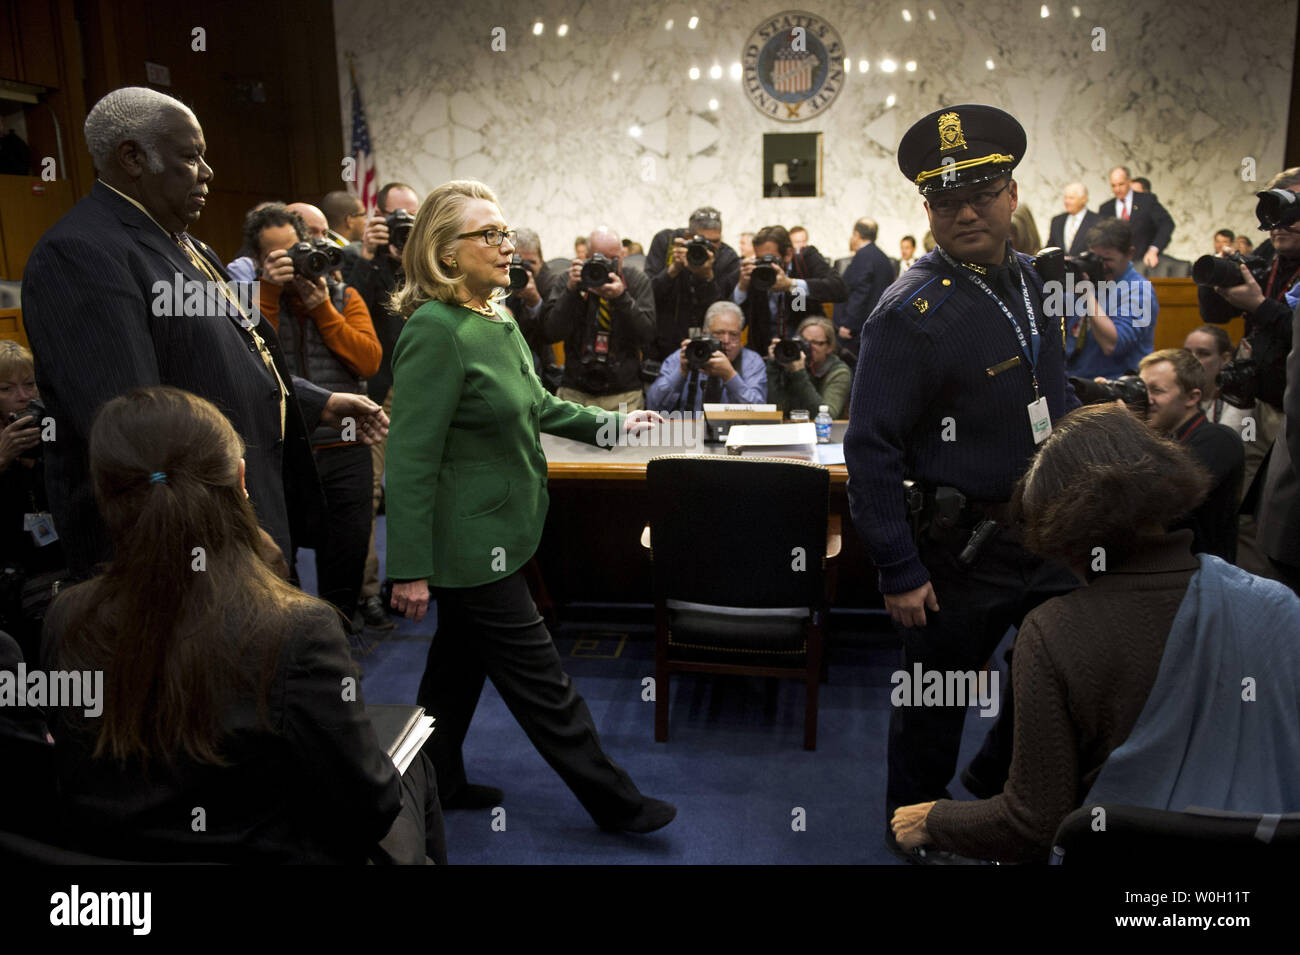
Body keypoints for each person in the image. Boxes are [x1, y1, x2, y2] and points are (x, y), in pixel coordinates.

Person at [43, 386, 446, 863]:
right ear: (240, 481)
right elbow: (371, 808)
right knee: (412, 763)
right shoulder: (299, 629)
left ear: (105, 493)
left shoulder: (65, 617)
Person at [384, 179, 676, 833]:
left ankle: (435, 779)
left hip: (506, 527)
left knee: (453, 675)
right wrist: (406, 564)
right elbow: (409, 459)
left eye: (504, 231)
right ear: (443, 251)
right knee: (544, 683)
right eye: (486, 233)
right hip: (467, 544)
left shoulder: (497, 313)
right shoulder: (435, 330)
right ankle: (616, 803)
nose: (503, 243)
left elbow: (540, 404)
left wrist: (611, 429)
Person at [891, 404, 1300, 864]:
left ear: (1053, 528)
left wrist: (931, 819)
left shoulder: (1052, 633)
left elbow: (1032, 825)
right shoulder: (1277, 603)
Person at [844, 104, 1079, 863]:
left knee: (1065, 670)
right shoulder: (907, 313)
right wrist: (897, 568)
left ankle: (989, 782)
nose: (966, 210)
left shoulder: (1031, 280)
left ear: (1012, 195)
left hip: (1045, 530)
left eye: (981, 192)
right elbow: (869, 446)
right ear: (927, 210)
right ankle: (909, 827)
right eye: (946, 200)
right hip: (957, 555)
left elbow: (1050, 393)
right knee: (934, 704)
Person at [20, 87, 382, 580]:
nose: (207, 172)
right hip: (189, 549)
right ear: (132, 158)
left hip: (243, 517)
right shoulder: (82, 253)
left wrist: (320, 401)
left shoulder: (188, 247)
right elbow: (132, 425)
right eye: (191, 157)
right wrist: (233, 532)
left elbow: (227, 360)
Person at [249, 203, 382, 628]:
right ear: (258, 260)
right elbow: (255, 359)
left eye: (296, 249)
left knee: (345, 559)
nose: (293, 262)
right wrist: (268, 290)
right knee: (279, 562)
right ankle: (292, 644)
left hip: (344, 449)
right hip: (283, 454)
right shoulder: (251, 299)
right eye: (277, 256)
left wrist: (324, 309)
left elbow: (368, 362)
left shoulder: (346, 296)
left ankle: (339, 640)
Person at [346, 180, 421, 629]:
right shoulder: (361, 262)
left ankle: (413, 577)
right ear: (377, 217)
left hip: (420, 386)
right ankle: (368, 592)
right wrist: (373, 258)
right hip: (377, 389)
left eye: (410, 218)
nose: (402, 227)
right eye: (395, 218)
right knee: (369, 492)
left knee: (418, 486)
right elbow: (353, 309)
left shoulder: (428, 260)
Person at [1139, 349, 1244, 562]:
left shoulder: (1218, 439)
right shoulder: (1158, 439)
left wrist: (1124, 429)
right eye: (1142, 389)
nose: (1146, 399)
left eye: (1156, 390)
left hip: (1201, 579)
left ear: (1192, 397)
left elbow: (1162, 497)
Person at [0, 342, 64, 664]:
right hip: (13, 582)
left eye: (30, 384)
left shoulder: (53, 431)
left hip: (60, 569)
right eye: (6, 389)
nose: (23, 396)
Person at [543, 226, 655, 411]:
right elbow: (551, 332)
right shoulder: (569, 280)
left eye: (613, 259)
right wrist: (571, 292)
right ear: (585, 257)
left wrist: (622, 298)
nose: (606, 265)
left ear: (622, 255)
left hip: (624, 395)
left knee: (624, 441)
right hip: (574, 393)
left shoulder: (636, 281)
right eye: (599, 259)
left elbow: (648, 335)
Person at [1062, 219, 1158, 379]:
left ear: (1129, 254)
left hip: (1116, 389)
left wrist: (1087, 295)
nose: (1100, 266)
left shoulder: (1139, 290)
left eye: (1107, 260)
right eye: (1094, 258)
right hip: (1077, 383)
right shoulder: (1088, 280)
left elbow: (1112, 344)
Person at [734, 224, 846, 356]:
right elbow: (738, 319)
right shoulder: (756, 273)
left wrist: (791, 285)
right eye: (759, 259)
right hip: (765, 353)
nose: (764, 265)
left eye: (770, 259)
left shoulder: (806, 259)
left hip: (808, 352)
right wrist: (742, 286)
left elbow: (839, 289)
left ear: (788, 254)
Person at [644, 206, 740, 360]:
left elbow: (722, 311)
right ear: (688, 235)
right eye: (704, 241)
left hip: (706, 348)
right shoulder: (666, 243)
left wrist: (707, 277)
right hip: (663, 345)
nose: (709, 248)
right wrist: (673, 270)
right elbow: (648, 296)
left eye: (715, 242)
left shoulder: (728, 258)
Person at [646, 300, 767, 414]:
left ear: (741, 336)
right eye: (719, 333)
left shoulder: (752, 362)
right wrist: (682, 371)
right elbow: (653, 407)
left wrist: (729, 376)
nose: (726, 340)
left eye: (733, 334)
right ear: (705, 334)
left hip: (734, 434)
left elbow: (759, 413)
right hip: (686, 432)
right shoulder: (683, 357)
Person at [833, 217, 896, 358]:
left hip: (857, 331)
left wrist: (848, 324)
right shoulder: (883, 257)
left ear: (856, 235)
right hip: (877, 327)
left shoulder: (863, 256)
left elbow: (860, 293)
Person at [765, 316, 851, 419]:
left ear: (829, 347)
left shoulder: (840, 372)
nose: (808, 347)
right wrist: (774, 366)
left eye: (815, 343)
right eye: (804, 341)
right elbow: (778, 410)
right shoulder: (791, 363)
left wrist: (799, 374)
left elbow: (827, 416)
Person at [1098, 165, 1175, 274]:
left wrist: (1154, 249)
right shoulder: (1106, 208)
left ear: (1129, 181)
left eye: (1121, 184)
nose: (1117, 189)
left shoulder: (1146, 200)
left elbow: (1167, 224)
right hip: (1116, 269)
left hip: (1144, 265)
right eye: (1113, 186)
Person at [1185, 324, 1249, 434]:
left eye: (1203, 354)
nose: (1191, 360)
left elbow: (1222, 443)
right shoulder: (1178, 394)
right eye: (1186, 353)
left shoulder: (1238, 398)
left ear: (1225, 359)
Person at [1046, 182, 1099, 257]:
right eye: (1065, 198)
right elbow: (1050, 248)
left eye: (1071, 198)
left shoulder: (1097, 221)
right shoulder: (1057, 221)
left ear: (1084, 199)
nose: (1066, 201)